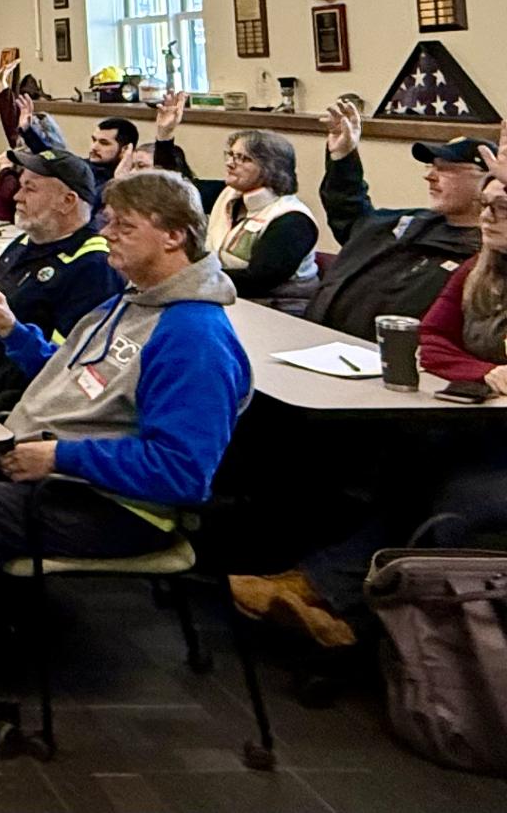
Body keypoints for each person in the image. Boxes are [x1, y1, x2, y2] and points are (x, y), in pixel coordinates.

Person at [0, 171, 251, 704]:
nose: (108, 236)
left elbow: (181, 472)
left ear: (174, 236)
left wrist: (60, 455)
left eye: (124, 226)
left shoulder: (193, 336)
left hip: (118, 508)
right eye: (109, 223)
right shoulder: (132, 304)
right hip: (46, 460)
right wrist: (14, 332)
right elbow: (79, 377)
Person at [232, 163, 507, 649]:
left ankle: (340, 608)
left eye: (501, 209)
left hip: (491, 443)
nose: (488, 218)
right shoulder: (478, 269)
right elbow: (431, 339)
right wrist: (484, 372)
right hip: (480, 422)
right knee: (407, 462)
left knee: (456, 496)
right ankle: (325, 593)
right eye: (486, 206)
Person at [0, 149, 124, 418]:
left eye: (29, 190)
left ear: (67, 201)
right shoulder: (28, 240)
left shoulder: (94, 266)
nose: (16, 197)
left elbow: (61, 361)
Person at [302, 100, 491, 340]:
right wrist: (343, 157)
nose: (429, 176)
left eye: (446, 169)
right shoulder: (412, 222)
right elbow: (352, 220)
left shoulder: (488, 255)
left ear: (488, 180)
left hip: (396, 365)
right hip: (321, 342)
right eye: (431, 166)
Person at [153, 94, 318, 304]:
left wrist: (186, 276)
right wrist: (164, 136)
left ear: (271, 168)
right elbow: (175, 188)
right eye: (230, 155)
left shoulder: (292, 220)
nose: (231, 164)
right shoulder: (229, 193)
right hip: (225, 295)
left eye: (243, 159)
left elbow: (259, 280)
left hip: (281, 308)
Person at [86, 117, 139, 191]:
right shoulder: (77, 168)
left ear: (126, 149)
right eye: (94, 140)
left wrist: (120, 180)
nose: (94, 147)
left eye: (104, 143)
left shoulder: (135, 176)